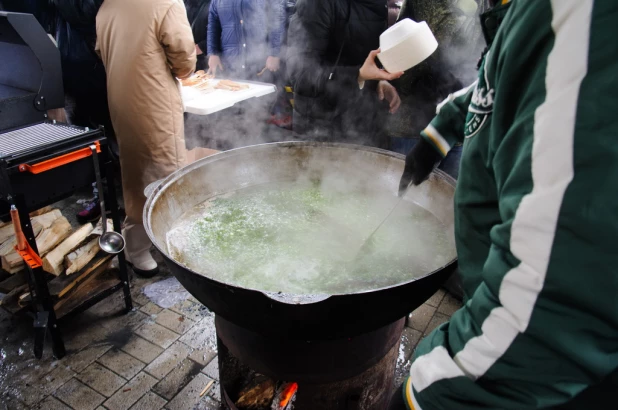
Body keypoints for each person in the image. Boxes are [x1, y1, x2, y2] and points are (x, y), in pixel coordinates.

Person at [391, 0, 618, 409]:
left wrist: (424, 392)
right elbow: (504, 78)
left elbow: (554, 301)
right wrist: (440, 132)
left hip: (549, 378)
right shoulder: (528, 10)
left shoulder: (586, 14)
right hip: (512, 329)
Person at [96, 0, 196, 277]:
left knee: (134, 172)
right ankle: (176, 249)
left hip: (119, 98)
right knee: (168, 174)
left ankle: (136, 247)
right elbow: (184, 59)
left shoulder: (109, 5)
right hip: (153, 100)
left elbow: (102, 51)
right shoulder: (166, 3)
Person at [387, 0, 486, 180]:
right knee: (397, 194)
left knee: (443, 195)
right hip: (412, 122)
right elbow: (442, 39)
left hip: (458, 124)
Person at [286, 0, 402, 149]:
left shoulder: (378, 4)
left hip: (364, 127)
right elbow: (301, 75)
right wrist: (358, 75)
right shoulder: (316, 4)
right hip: (320, 131)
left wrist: (377, 80)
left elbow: (362, 59)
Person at [51, 0, 122, 224]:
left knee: (116, 143)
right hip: (69, 73)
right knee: (88, 146)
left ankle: (125, 200)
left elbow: (91, 13)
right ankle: (102, 199)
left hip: (100, 72)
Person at [206, 0, 287, 80]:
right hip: (230, 65)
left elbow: (277, 18)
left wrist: (274, 53)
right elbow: (213, 23)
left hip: (261, 66)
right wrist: (213, 53)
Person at [184, 0, 212, 71]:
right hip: (185, 61)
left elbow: (221, 33)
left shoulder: (215, 3)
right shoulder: (183, 3)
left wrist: (201, 47)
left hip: (206, 63)